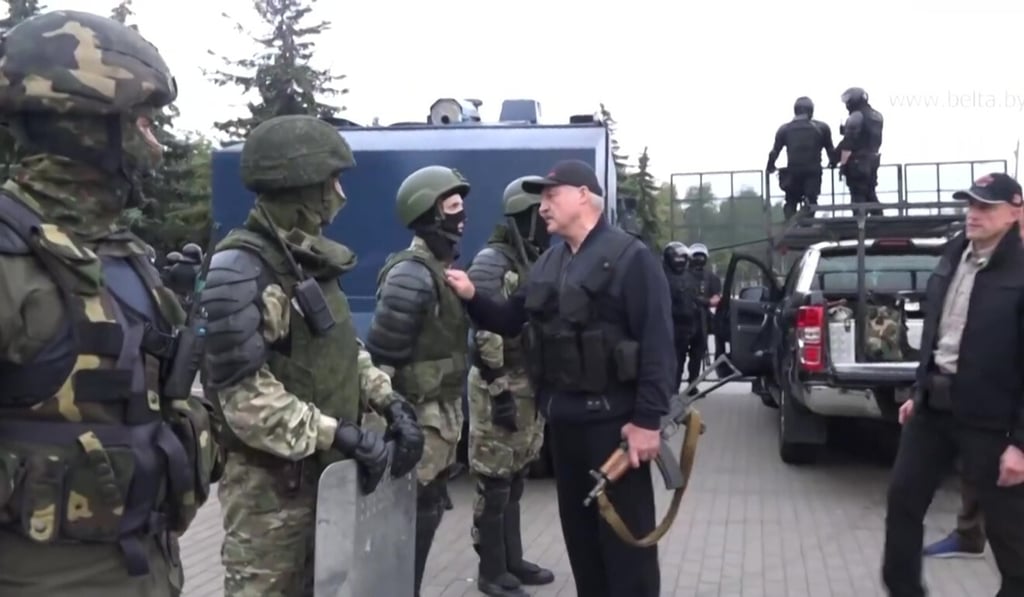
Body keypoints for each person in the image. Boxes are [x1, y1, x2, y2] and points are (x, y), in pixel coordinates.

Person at [0, 10, 222, 597]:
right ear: (88, 126)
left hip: (149, 569)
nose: (156, 140)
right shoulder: (10, 261)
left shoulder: (121, 255)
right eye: (143, 121)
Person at [200, 115, 424, 597]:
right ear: (301, 185)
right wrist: (340, 434)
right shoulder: (240, 271)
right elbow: (243, 398)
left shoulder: (313, 262)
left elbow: (344, 352)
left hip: (329, 487)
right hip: (270, 501)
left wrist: (391, 403)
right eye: (333, 182)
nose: (340, 194)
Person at [444, 159, 676, 597]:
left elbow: (659, 345)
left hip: (615, 429)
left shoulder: (631, 258)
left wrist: (648, 422)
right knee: (582, 542)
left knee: (627, 549)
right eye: (542, 198)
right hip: (565, 428)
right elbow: (512, 320)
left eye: (552, 196)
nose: (543, 206)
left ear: (583, 196)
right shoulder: (550, 261)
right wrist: (473, 296)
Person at [882, 173, 1024, 597]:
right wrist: (919, 388)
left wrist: (1020, 442)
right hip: (933, 407)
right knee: (903, 502)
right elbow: (938, 332)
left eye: (985, 207)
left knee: (1010, 537)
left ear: (1015, 212)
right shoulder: (954, 254)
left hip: (992, 422)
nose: (973, 215)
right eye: (970, 205)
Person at [365, 165, 471, 597]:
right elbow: (381, 363)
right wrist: (390, 428)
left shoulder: (437, 270)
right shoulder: (411, 275)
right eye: (452, 207)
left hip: (440, 420)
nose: (462, 217)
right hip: (417, 421)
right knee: (405, 522)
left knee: (425, 516)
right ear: (428, 214)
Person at [465, 176, 555, 597]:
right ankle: (490, 571)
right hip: (498, 385)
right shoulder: (492, 261)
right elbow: (484, 330)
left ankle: (513, 561)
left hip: (526, 382)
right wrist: (498, 388)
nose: (548, 220)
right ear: (525, 217)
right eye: (541, 213)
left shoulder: (529, 257)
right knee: (495, 483)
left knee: (516, 477)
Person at [766, 96, 837, 220]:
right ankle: (807, 222)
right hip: (813, 171)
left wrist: (770, 167)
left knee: (791, 200)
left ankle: (790, 224)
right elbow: (830, 150)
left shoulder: (784, 129)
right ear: (811, 110)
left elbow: (774, 152)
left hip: (793, 171)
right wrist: (833, 163)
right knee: (811, 200)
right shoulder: (822, 128)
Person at [836, 87, 884, 216]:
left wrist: (836, 158)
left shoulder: (857, 116)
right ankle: (881, 222)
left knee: (858, 195)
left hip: (857, 163)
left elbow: (849, 142)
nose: (846, 104)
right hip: (873, 160)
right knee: (870, 192)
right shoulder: (877, 115)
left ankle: (860, 224)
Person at [681, 243, 722, 394]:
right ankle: (675, 387)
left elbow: (717, 298)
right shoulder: (682, 276)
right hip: (685, 320)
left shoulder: (711, 277)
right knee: (679, 355)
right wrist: (706, 301)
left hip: (702, 320)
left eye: (700, 257)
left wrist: (708, 302)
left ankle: (692, 385)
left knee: (697, 355)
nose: (698, 260)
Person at [663, 241, 698, 389]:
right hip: (668, 327)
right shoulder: (661, 276)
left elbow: (692, 299)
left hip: (685, 328)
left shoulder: (688, 277)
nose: (681, 261)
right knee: (667, 363)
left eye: (683, 258)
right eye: (678, 257)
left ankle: (674, 392)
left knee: (680, 360)